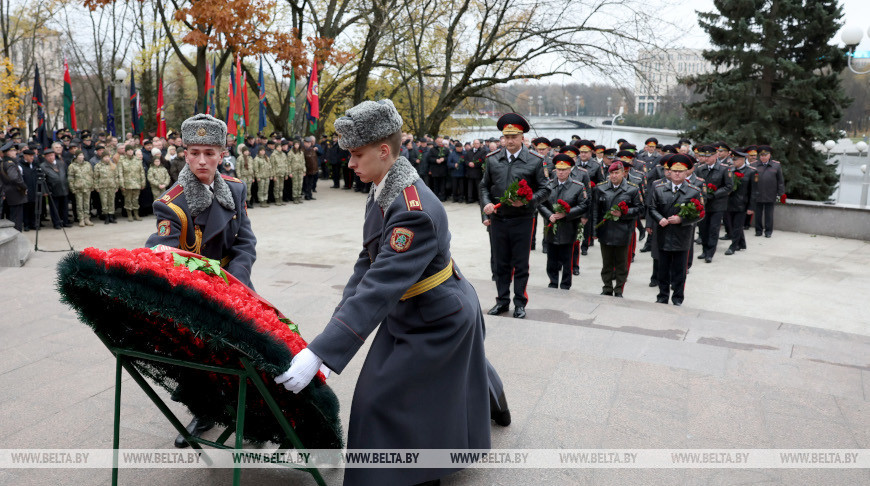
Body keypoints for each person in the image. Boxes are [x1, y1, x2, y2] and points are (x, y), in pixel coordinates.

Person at [275, 99, 491, 486]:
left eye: (357, 155)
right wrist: (328, 344)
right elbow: (367, 265)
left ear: (384, 151)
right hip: (411, 305)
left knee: (383, 400)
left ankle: (419, 475)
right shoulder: (384, 188)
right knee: (424, 391)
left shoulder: (413, 210)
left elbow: (378, 286)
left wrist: (323, 350)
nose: (350, 164)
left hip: (437, 317)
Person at [145, 113, 257, 448]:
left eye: (210, 152)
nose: (202, 160)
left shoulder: (235, 189)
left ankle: (250, 411)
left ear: (223, 154)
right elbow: (162, 251)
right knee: (194, 358)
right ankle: (203, 411)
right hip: (193, 290)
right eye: (194, 152)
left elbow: (245, 242)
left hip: (232, 285)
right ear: (184, 153)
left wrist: (236, 283)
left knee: (245, 349)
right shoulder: (172, 203)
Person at [480, 113, 550, 319]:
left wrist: (527, 201)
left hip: (523, 220)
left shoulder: (535, 161)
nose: (509, 140)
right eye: (506, 136)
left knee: (520, 264)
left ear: (522, 138)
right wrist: (487, 204)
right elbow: (484, 186)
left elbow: (546, 190)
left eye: (514, 136)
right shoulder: (493, 160)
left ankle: (520, 303)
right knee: (500, 263)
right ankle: (502, 301)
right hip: (498, 220)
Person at [648, 154, 704, 306]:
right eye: (674, 171)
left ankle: (678, 298)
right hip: (663, 234)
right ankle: (662, 296)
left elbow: (700, 213)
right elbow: (652, 207)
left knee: (680, 271)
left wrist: (682, 219)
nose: (677, 174)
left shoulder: (694, 191)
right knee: (663, 269)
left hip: (682, 236)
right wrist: (660, 219)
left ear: (687, 172)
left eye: (681, 171)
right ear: (669, 172)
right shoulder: (659, 188)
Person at [591, 161, 643, 297]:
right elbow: (595, 210)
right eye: (611, 173)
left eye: (617, 173)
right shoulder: (600, 188)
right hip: (606, 230)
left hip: (623, 230)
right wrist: (594, 231)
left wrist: (624, 213)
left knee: (621, 263)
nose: (614, 176)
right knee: (606, 263)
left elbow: (639, 209)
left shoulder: (632, 189)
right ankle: (607, 287)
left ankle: (619, 289)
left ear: (623, 173)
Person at [539, 154, 589, 289]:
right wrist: (549, 215)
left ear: (570, 170)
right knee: (551, 259)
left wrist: (566, 214)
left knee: (567, 259)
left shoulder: (578, 186)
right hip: (551, 226)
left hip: (569, 227)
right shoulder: (548, 185)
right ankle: (553, 282)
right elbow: (541, 203)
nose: (560, 172)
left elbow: (583, 205)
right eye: (558, 169)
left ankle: (566, 284)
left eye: (564, 169)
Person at [695, 144, 732, 263]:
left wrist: (715, 194)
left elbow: (729, 187)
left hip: (718, 204)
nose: (706, 159)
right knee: (703, 228)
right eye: (705, 156)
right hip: (704, 204)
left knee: (713, 229)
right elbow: (698, 185)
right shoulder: (701, 169)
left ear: (716, 155)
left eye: (709, 156)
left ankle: (710, 253)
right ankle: (704, 250)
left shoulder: (724, 168)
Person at [725, 147, 756, 255]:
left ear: (743, 159)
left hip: (742, 204)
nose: (733, 162)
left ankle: (733, 246)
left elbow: (753, 192)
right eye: (733, 160)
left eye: (736, 160)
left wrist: (751, 207)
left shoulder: (751, 172)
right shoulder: (730, 170)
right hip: (729, 203)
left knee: (737, 226)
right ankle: (742, 243)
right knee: (731, 225)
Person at [751, 144, 785, 237]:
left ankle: (768, 231)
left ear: (769, 155)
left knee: (769, 214)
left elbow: (780, 181)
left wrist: (781, 194)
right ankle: (758, 231)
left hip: (771, 193)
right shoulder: (753, 165)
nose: (763, 157)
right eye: (761, 155)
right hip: (757, 193)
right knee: (758, 214)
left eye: (765, 155)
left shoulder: (776, 165)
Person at [40, 146, 71, 229]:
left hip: (63, 188)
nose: (51, 157)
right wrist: (45, 191)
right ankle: (56, 223)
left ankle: (65, 221)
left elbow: (66, 174)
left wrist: (68, 185)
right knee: (54, 208)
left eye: (52, 155)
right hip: (52, 190)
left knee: (64, 207)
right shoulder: (43, 166)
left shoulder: (60, 163)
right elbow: (42, 181)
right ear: (45, 157)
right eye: (49, 156)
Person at [0, 142, 26, 231]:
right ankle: (17, 238)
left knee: (11, 218)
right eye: (14, 150)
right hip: (15, 194)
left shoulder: (3, 162)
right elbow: (14, 177)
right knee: (17, 219)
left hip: (8, 193)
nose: (16, 152)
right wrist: (24, 186)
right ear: (8, 153)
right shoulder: (10, 163)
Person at [67, 150, 95, 227]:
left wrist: (92, 185)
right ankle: (81, 219)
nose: (81, 157)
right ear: (76, 156)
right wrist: (72, 188)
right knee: (79, 204)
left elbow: (91, 175)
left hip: (87, 187)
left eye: (82, 155)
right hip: (78, 187)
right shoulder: (72, 166)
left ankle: (87, 218)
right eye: (79, 155)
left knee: (87, 204)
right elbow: (70, 178)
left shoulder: (88, 164)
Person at [119, 146, 146, 221]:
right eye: (129, 150)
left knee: (135, 199)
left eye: (131, 150)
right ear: (126, 151)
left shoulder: (137, 160)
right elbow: (120, 173)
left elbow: (142, 172)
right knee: (128, 200)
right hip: (127, 184)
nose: (130, 151)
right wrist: (122, 184)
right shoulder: (122, 160)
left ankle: (136, 214)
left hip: (137, 183)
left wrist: (143, 182)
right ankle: (129, 214)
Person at [94, 154, 120, 224]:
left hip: (112, 186)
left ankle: (111, 216)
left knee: (111, 202)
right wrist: (96, 187)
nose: (107, 158)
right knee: (104, 202)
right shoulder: (98, 166)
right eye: (105, 157)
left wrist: (117, 186)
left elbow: (116, 177)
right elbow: (96, 177)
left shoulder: (113, 165)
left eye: (108, 157)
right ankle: (106, 217)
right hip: (102, 187)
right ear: (102, 158)